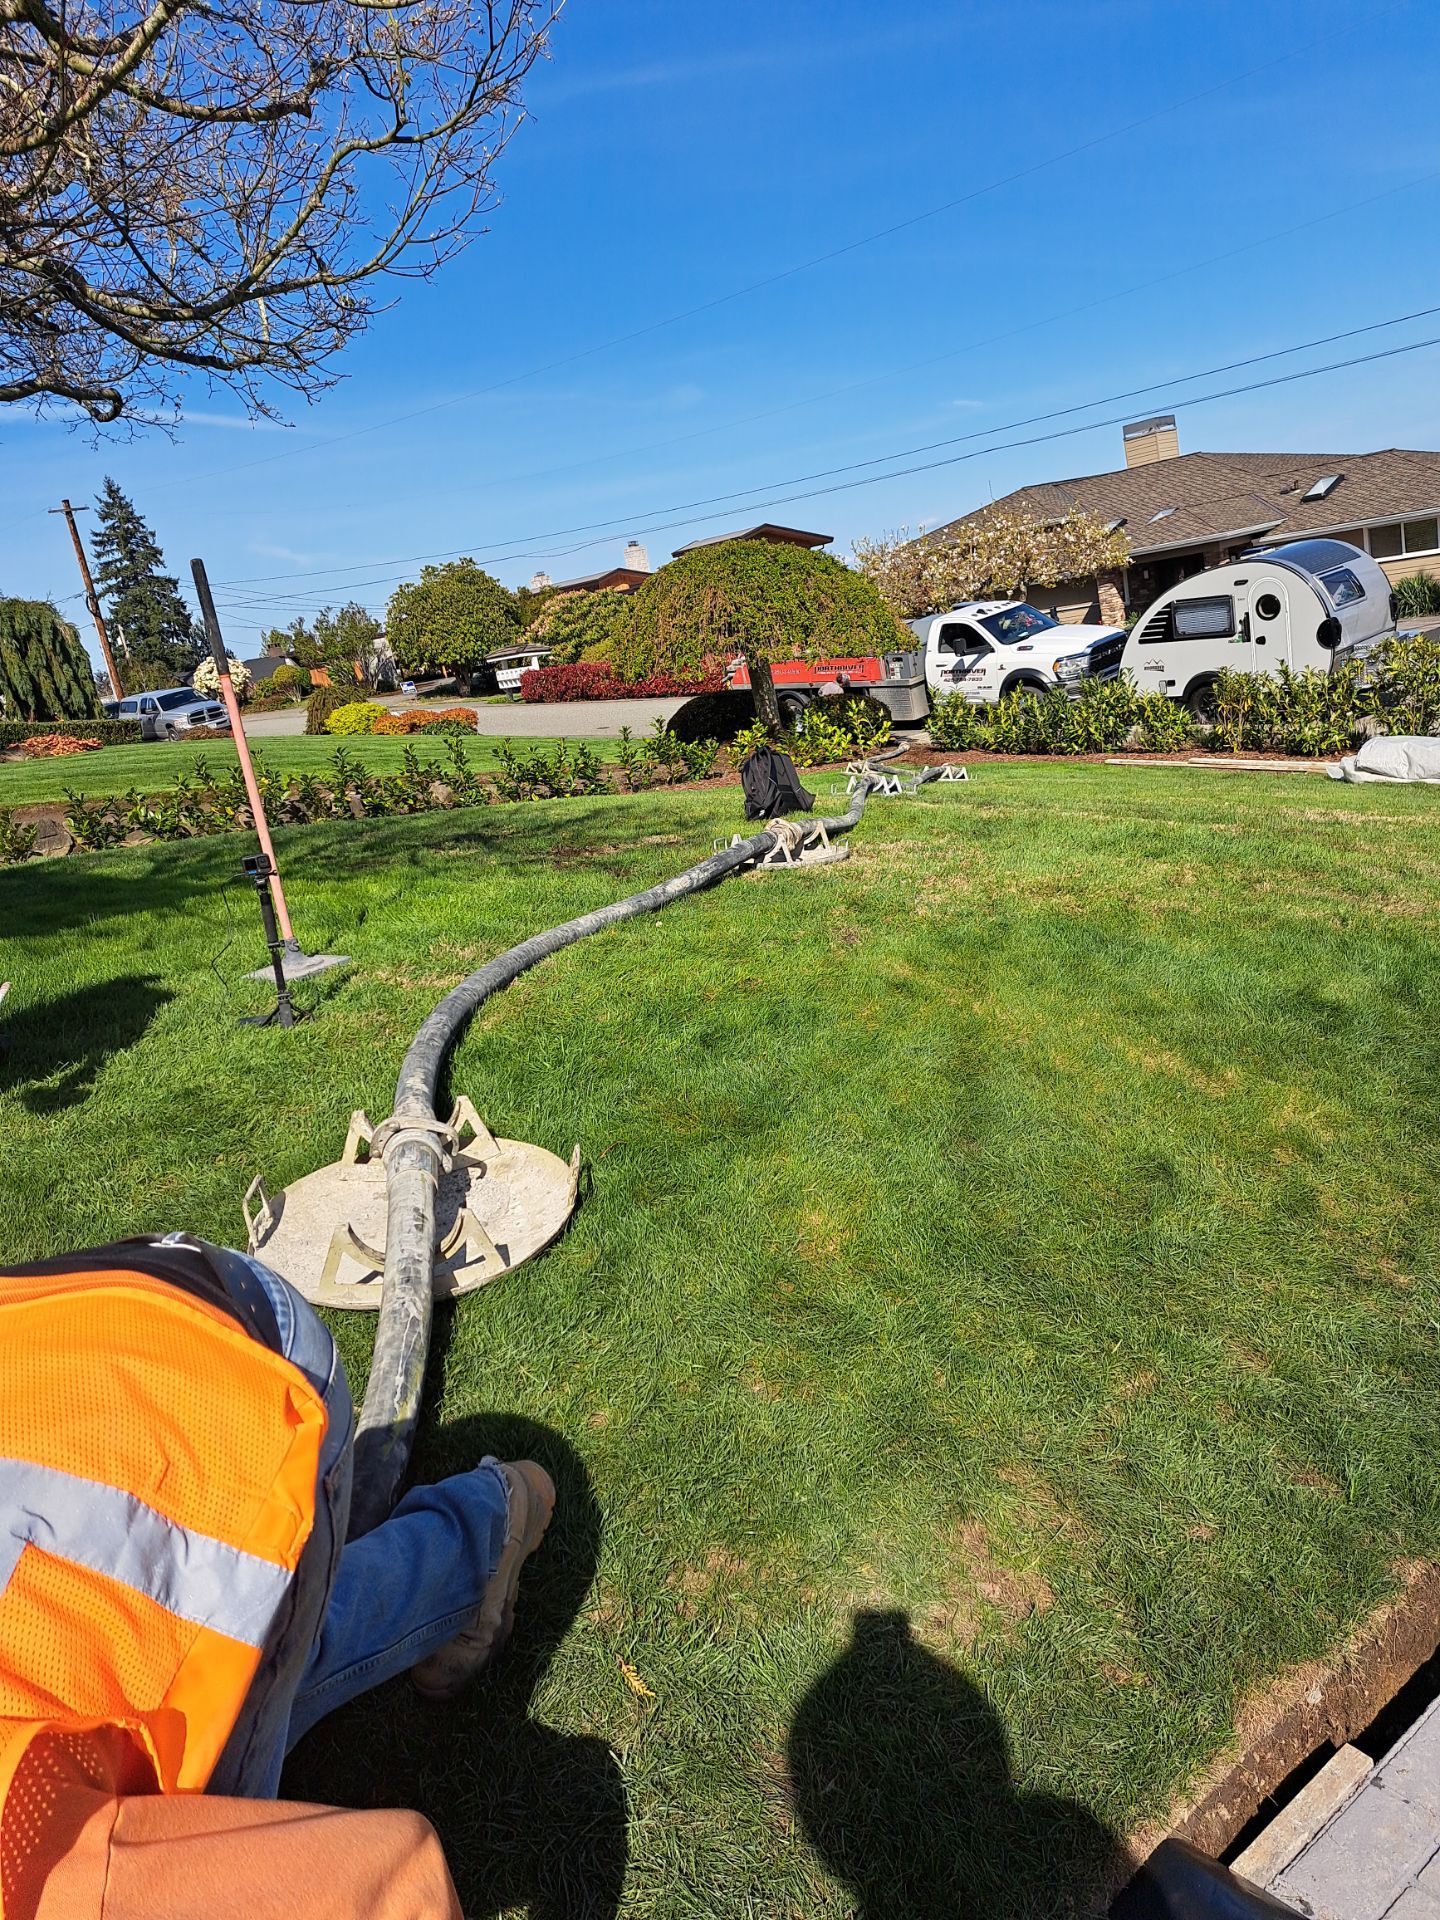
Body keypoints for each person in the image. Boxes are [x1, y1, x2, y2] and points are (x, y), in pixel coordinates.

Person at [0, 1234, 556, 1920]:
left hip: (249, 1388)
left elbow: (393, 1884)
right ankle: (483, 1523)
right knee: (245, 1678)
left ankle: (488, 1525)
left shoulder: (56, 1879)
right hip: (79, 1325)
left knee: (223, 1754)